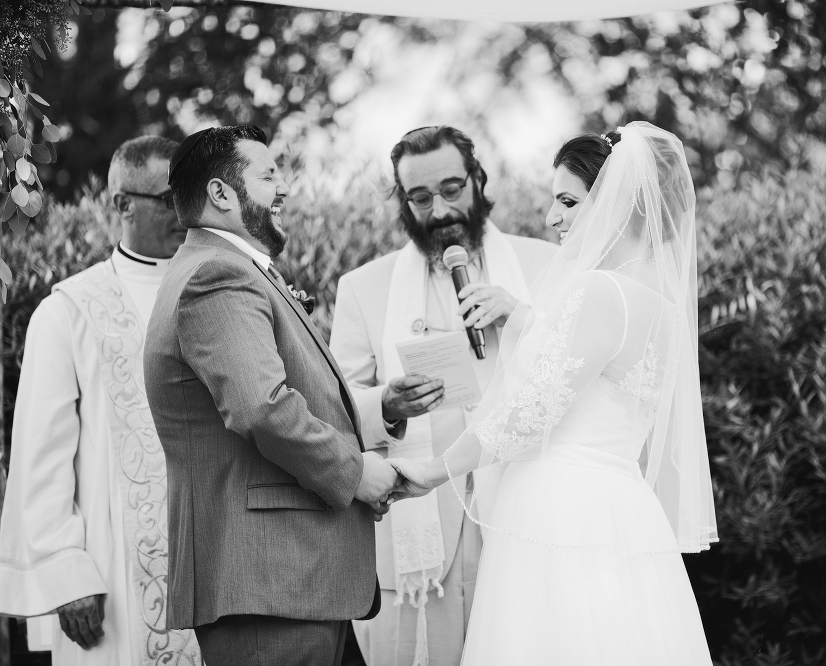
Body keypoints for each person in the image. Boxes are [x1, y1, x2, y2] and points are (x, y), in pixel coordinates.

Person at [389, 122, 719, 664]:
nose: (552, 217)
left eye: (568, 200)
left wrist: (430, 472)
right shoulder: (662, 309)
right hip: (624, 514)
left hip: (563, 516)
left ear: (618, 201)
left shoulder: (599, 291)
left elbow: (525, 417)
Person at [143, 125, 398, 666]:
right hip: (269, 585)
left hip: (290, 585)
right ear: (221, 194)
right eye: (267, 175)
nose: (284, 187)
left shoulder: (222, 270)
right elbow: (263, 406)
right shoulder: (217, 276)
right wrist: (356, 473)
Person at [329, 125, 557, 666]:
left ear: (477, 180)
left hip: (524, 509)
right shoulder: (363, 288)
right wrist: (387, 405)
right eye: (421, 197)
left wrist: (523, 319)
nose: (440, 210)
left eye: (452, 189)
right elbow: (333, 411)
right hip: (417, 523)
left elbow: (579, 382)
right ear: (403, 202)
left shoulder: (546, 268)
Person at [0, 137, 203, 665]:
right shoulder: (69, 311)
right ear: (122, 204)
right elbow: (41, 454)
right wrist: (66, 570)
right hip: (116, 569)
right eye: (168, 199)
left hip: (220, 563)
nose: (185, 214)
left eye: (190, 197)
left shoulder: (222, 293)